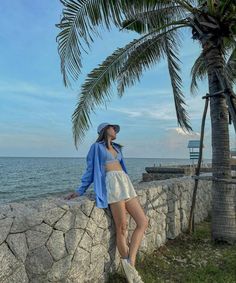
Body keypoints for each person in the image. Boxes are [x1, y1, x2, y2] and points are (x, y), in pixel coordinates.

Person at [64, 122, 149, 283]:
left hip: (125, 182)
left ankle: (130, 263)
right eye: (112, 128)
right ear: (104, 130)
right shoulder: (96, 147)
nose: (115, 130)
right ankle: (132, 274)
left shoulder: (118, 148)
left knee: (143, 222)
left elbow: (121, 167)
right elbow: (90, 170)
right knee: (122, 227)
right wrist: (79, 191)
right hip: (112, 185)